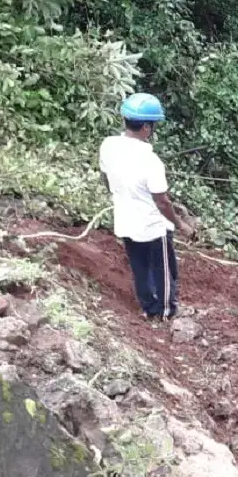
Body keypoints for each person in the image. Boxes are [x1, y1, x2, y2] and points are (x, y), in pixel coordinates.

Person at [99, 93, 194, 320]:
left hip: (125, 220)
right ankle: (166, 312)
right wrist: (182, 225)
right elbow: (162, 202)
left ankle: (148, 308)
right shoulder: (151, 162)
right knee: (164, 271)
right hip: (153, 226)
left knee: (140, 268)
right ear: (146, 127)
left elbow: (105, 177)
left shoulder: (108, 146)